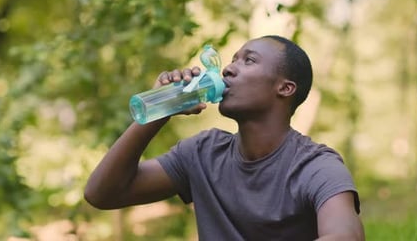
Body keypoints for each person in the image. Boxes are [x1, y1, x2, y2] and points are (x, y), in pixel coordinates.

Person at [84, 35, 365, 240]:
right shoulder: (202, 153)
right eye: (232, 61)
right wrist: (160, 109)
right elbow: (102, 194)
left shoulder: (315, 165)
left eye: (249, 60)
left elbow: (346, 237)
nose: (228, 69)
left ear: (285, 88)